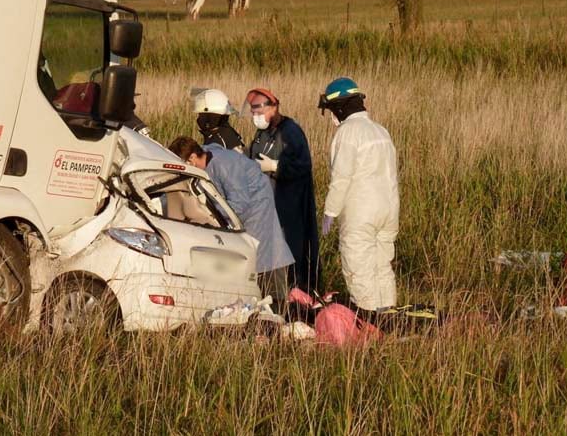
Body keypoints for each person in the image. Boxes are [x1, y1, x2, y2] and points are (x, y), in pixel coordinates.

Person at [168, 136, 295, 307]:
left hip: (256, 211)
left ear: (191, 158)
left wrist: (212, 216)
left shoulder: (225, 165)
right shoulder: (207, 156)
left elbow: (240, 203)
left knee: (262, 256)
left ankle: (275, 304)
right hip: (244, 210)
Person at [317, 77, 400, 315]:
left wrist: (330, 213)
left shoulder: (348, 132)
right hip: (389, 210)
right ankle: (389, 319)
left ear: (340, 107)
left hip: (361, 214)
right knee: (382, 268)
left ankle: (370, 322)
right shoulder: (380, 130)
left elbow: (341, 179)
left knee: (359, 270)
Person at [243, 88, 320, 293]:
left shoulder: (291, 131)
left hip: (288, 205)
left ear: (274, 108)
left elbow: (303, 166)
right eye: (253, 112)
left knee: (290, 251)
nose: (256, 117)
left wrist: (276, 167)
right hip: (265, 207)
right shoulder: (262, 134)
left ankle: (296, 296)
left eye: (260, 112)